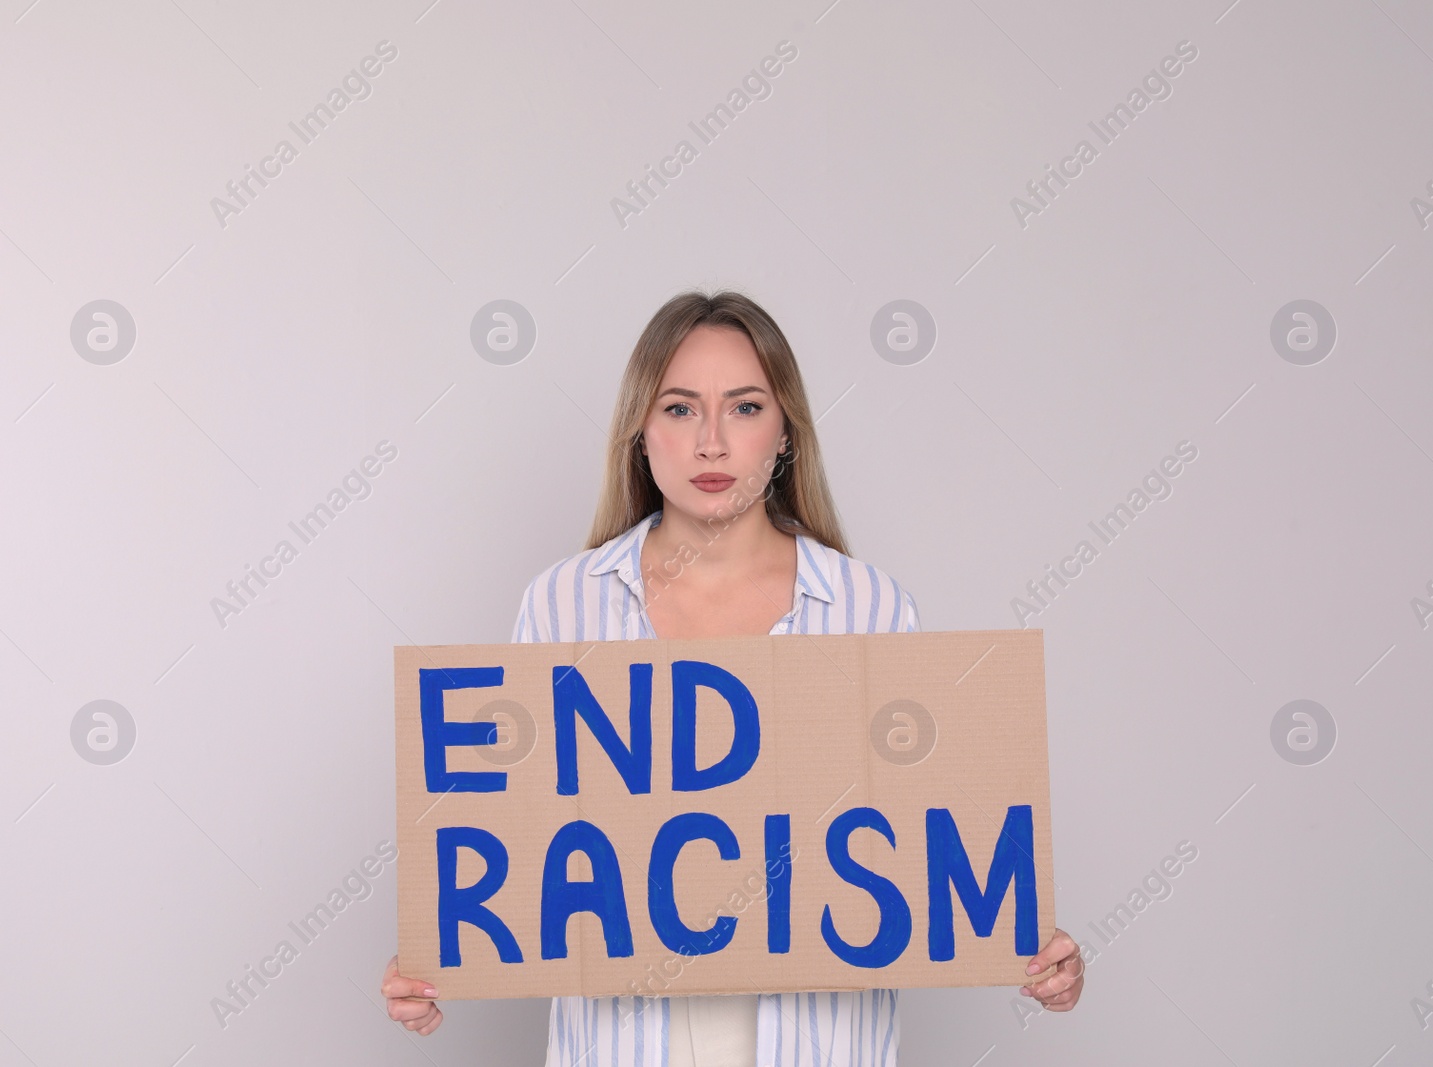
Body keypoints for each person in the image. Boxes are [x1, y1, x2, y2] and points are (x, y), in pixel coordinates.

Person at [382, 289, 1084, 1063]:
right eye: (680, 410)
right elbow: (519, 841)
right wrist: (437, 955)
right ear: (640, 433)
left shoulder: (870, 607)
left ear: (785, 432)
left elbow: (926, 848)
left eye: (744, 408)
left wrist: (1029, 945)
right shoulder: (562, 605)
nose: (711, 443)